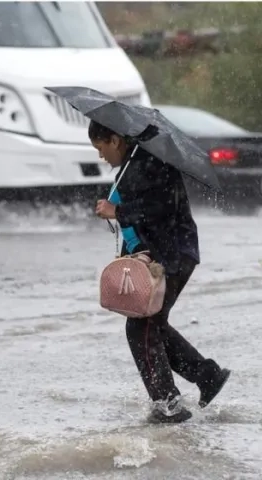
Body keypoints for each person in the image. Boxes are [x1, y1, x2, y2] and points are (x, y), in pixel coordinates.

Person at [88, 119, 231, 424]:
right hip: (169, 254)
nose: (101, 156)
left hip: (171, 257)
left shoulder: (146, 163)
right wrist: (114, 207)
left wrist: (119, 212)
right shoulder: (134, 163)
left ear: (114, 139)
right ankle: (207, 375)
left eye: (100, 147)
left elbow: (159, 211)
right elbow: (145, 207)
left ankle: (168, 405)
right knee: (153, 326)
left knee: (141, 328)